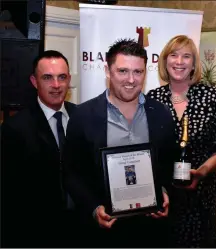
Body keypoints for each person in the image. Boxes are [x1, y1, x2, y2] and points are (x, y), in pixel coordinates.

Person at [62, 38, 177, 248]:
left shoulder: (161, 114)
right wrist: (94, 208)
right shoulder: (83, 116)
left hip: (151, 230)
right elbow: (71, 174)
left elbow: (170, 164)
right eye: (123, 71)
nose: (131, 80)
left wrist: (166, 192)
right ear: (107, 71)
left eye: (138, 72)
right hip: (103, 233)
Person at [147, 35, 216, 247]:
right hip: (163, 198)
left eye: (186, 56)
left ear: (194, 64)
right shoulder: (153, 99)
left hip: (201, 197)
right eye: (173, 55)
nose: (179, 61)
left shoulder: (212, 96)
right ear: (165, 60)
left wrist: (202, 171)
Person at [1, 50, 79, 247]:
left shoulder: (82, 117)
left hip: (81, 229)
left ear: (69, 79)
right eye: (47, 78)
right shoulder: (14, 128)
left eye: (62, 77)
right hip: (36, 234)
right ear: (34, 82)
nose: (56, 85)